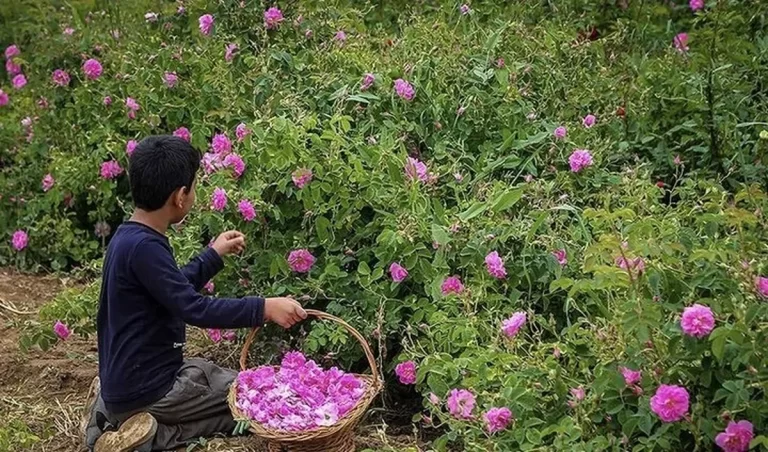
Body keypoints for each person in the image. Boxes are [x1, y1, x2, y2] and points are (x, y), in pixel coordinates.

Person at [83, 135, 307, 451]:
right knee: (249, 403)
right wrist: (264, 307)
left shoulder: (129, 237)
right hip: (150, 389)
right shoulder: (146, 247)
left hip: (133, 381)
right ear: (180, 196)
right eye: (195, 187)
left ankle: (113, 416)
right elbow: (193, 308)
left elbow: (172, 289)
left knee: (209, 374)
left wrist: (211, 255)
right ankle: (147, 436)